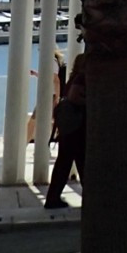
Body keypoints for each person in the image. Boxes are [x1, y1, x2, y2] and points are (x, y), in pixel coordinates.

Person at [42, 56, 86, 208]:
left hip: (69, 127)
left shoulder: (73, 78)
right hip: (77, 127)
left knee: (67, 162)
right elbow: (75, 97)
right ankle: (54, 198)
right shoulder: (81, 78)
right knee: (73, 161)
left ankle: (53, 197)